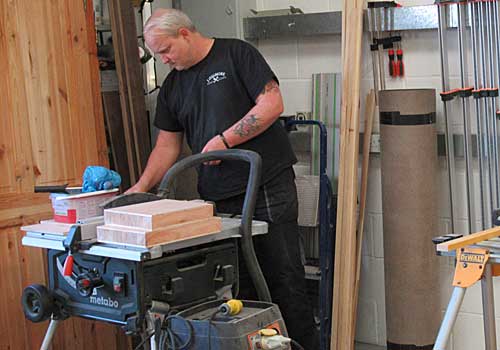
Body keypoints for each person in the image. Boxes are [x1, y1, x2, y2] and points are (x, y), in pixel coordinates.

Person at [127, 8, 318, 349]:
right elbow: (166, 145)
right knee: (236, 294)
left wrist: (225, 141)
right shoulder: (173, 87)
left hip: (265, 189)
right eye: (157, 54)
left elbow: (271, 104)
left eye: (166, 50)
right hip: (218, 199)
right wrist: (140, 189)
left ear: (185, 33)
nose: (163, 59)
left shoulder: (236, 54)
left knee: (284, 283)